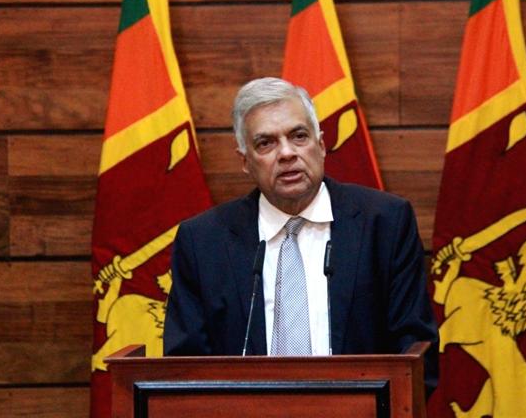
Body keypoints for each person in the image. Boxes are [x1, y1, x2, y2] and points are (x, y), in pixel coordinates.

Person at [164, 77, 439, 393]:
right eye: (265, 143)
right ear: (245, 161)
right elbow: (185, 367)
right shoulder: (203, 241)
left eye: (298, 136)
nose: (286, 153)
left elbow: (416, 350)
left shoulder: (384, 223)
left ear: (320, 146)